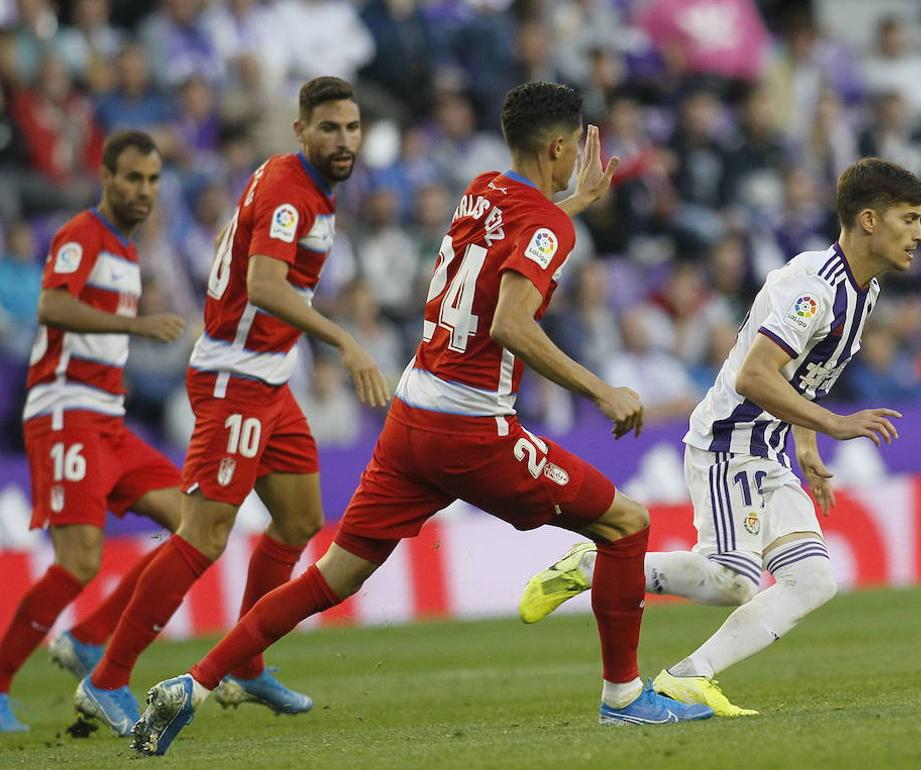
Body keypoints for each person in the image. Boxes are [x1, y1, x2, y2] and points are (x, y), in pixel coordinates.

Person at [131, 81, 712, 757]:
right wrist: (600, 389)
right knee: (626, 523)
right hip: (472, 431)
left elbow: (514, 231)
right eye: (573, 148)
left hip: (412, 417)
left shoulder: (481, 188)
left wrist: (572, 203)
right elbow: (511, 323)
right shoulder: (546, 225)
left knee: (333, 578)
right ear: (560, 147)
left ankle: (194, 684)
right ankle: (624, 698)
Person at [519, 157, 921, 716]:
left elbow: (806, 373)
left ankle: (689, 677)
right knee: (734, 580)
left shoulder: (864, 291)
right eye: (909, 219)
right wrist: (832, 425)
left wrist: (807, 445)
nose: (920, 234)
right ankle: (593, 567)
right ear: (870, 220)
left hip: (771, 447)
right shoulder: (813, 288)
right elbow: (753, 375)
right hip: (729, 441)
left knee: (813, 580)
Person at [75, 76, 388, 737]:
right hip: (234, 381)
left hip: (270, 381)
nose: (343, 140)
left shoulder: (305, 188)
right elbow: (265, 284)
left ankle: (245, 662)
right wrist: (343, 341)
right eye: (329, 128)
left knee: (301, 521)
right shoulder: (288, 193)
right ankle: (106, 678)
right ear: (300, 130)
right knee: (204, 535)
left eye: (352, 128)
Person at [0, 131, 186, 733]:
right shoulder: (83, 233)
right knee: (79, 562)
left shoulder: (128, 255)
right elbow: (52, 306)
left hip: (108, 418)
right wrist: (133, 326)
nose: (143, 190)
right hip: (64, 411)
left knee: (196, 525)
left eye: (153, 181)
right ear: (106, 177)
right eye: (132, 178)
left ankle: (89, 639)